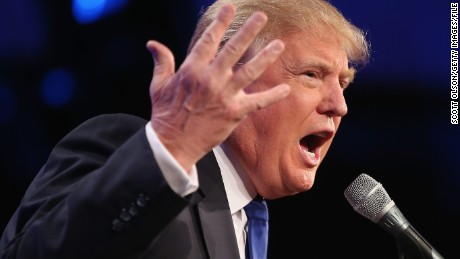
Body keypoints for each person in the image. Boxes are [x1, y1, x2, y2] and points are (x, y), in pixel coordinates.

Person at [0, 0, 369, 258]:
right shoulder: (124, 146)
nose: (340, 105)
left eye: (344, 83)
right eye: (311, 75)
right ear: (227, 75)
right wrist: (169, 150)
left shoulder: (247, 218)